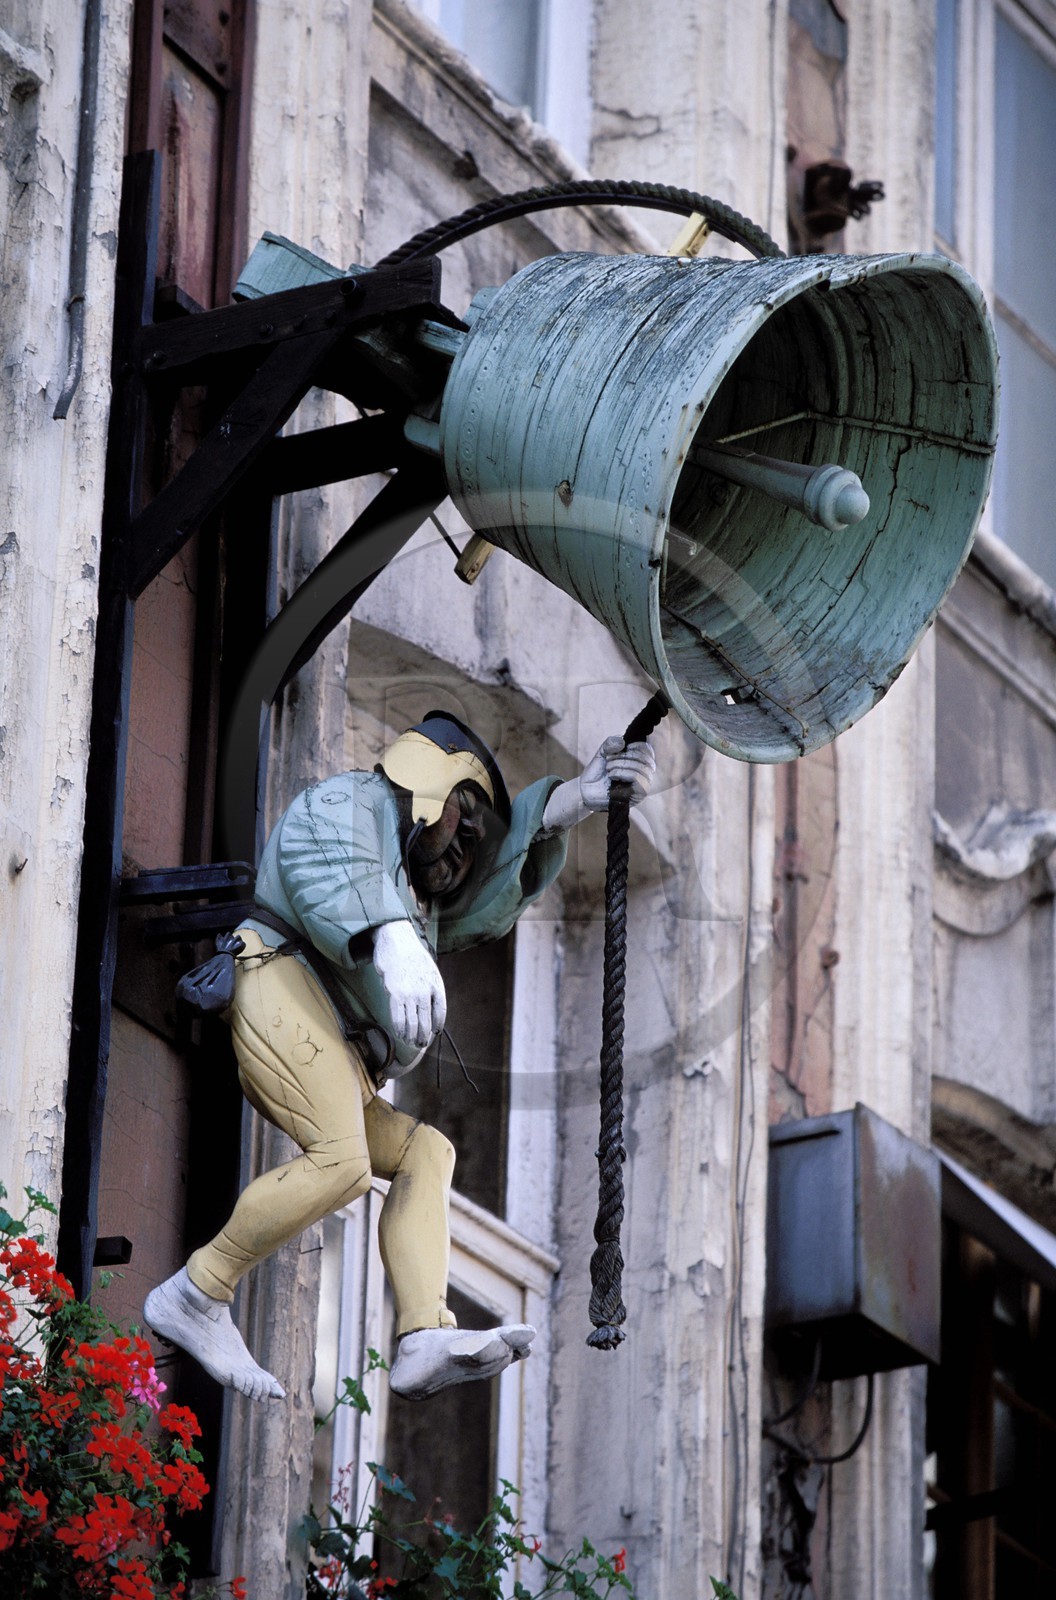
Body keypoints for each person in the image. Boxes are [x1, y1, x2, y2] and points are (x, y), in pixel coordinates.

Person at [145, 711, 655, 1402]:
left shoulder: (414, 891)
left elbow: (481, 904)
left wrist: (565, 807)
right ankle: (197, 1294)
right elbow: (324, 850)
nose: (463, 853)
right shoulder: (351, 802)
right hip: (277, 980)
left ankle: (422, 1335)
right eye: (465, 826)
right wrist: (386, 933)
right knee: (344, 1162)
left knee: (427, 1153)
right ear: (430, 781)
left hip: (337, 1046)